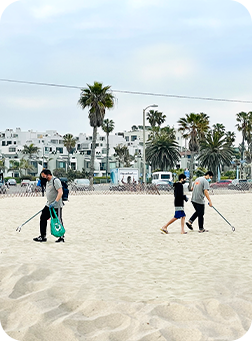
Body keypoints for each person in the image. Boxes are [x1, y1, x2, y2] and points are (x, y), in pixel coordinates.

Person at [33, 169, 65, 243]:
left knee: (58, 220)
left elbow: (60, 192)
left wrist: (55, 202)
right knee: (43, 217)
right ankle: (42, 236)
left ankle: (61, 237)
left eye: (43, 176)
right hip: (48, 205)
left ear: (48, 174)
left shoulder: (55, 181)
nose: (43, 177)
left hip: (56, 205)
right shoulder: (47, 182)